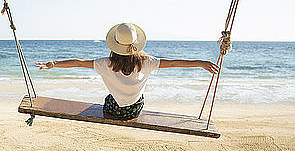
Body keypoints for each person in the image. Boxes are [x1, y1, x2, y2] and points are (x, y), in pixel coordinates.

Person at [35, 23, 219, 120]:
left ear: (114, 45)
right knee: (135, 97)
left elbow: (78, 63)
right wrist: (200, 63)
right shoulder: (147, 62)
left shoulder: (104, 63)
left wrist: (53, 63)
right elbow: (173, 64)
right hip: (134, 111)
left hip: (114, 110)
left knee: (109, 98)